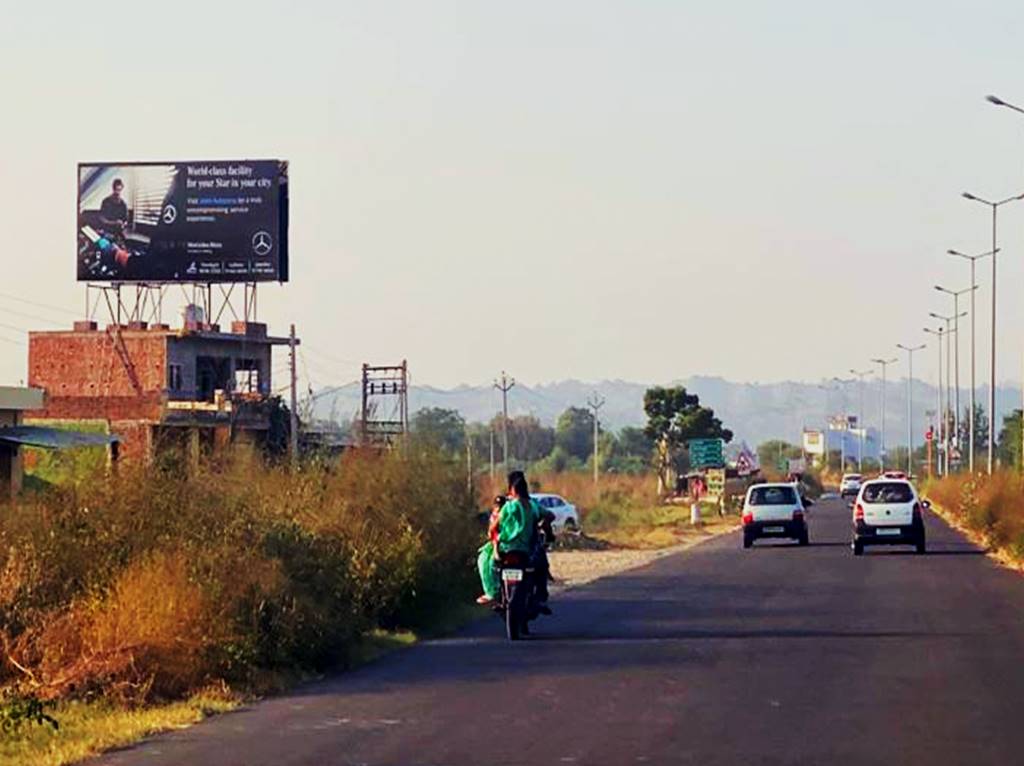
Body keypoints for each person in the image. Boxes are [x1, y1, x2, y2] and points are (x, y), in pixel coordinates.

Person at [475, 472, 542, 605]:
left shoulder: (509, 507)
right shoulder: (532, 505)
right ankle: (538, 594)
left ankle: (493, 592)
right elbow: (547, 516)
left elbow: (493, 528)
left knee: (487, 561)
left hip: (505, 547)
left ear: (512, 488)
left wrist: (494, 538)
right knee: (539, 563)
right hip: (524, 549)